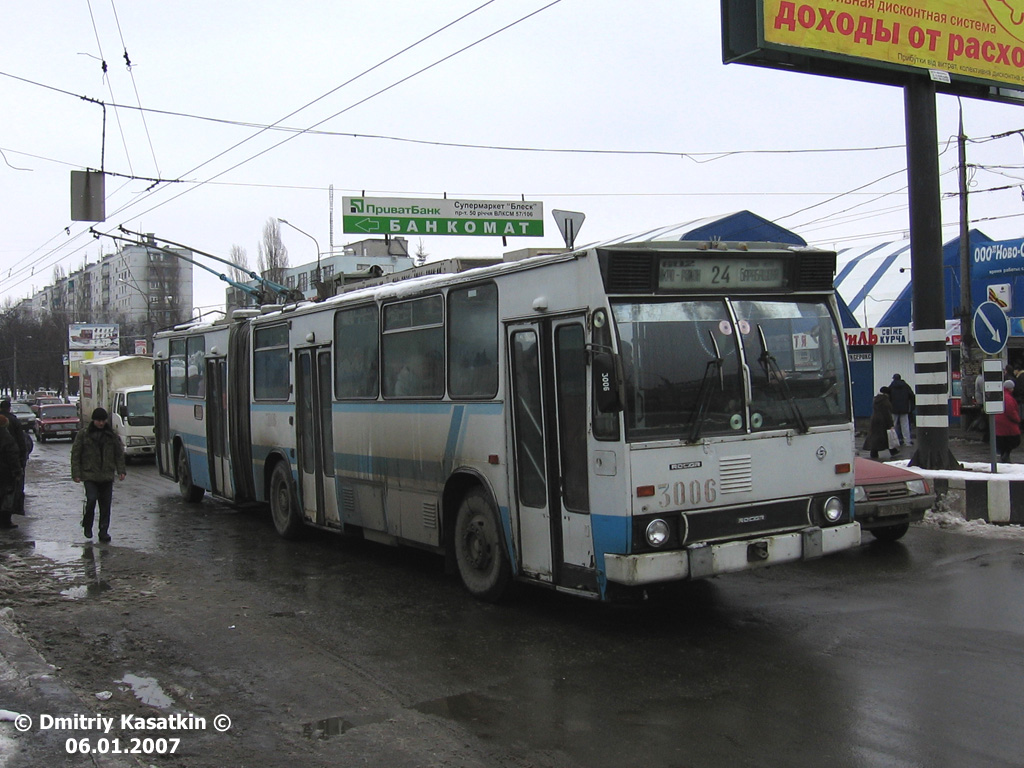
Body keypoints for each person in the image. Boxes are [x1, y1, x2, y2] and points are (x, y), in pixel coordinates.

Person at [71, 407, 126, 543]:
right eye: (98, 421)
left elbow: (118, 454)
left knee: (105, 506)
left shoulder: (111, 435)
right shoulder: (84, 434)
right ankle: (87, 524)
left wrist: (121, 470)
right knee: (91, 500)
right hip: (90, 475)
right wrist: (76, 473)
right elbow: (76, 454)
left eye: (103, 420)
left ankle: (103, 531)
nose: (101, 423)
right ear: (94, 420)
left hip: (106, 475)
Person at [0, 399, 28, 513]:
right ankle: (12, 511)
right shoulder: (14, 422)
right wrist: (22, 460)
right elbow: (21, 441)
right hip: (8, 465)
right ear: (9, 408)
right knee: (12, 488)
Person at [863, 386, 900, 460]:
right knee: (886, 436)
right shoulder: (885, 401)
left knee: (875, 436)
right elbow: (887, 414)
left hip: (874, 419)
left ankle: (875, 452)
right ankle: (891, 451)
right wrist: (891, 424)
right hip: (883, 420)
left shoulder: (876, 399)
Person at [0, 415, 23, 529]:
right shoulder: (6, 437)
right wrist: (17, 471)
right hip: (5, 472)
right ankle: (5, 521)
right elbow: (12, 455)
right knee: (7, 496)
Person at [995, 380, 1022, 463]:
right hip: (1007, 422)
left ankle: (1004, 456)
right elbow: (1011, 411)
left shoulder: (1000, 395)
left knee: (1003, 441)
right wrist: (1017, 419)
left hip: (999, 422)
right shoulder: (1008, 398)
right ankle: (1006, 455)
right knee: (1015, 440)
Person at [888, 373, 915, 446]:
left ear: (894, 378)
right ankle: (907, 441)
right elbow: (912, 396)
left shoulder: (891, 386)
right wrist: (911, 407)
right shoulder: (906, 386)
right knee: (905, 425)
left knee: (893, 425)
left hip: (894, 409)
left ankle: (894, 442)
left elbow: (888, 396)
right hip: (904, 409)